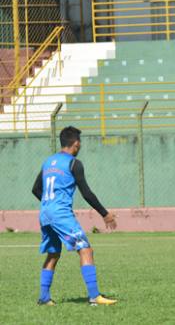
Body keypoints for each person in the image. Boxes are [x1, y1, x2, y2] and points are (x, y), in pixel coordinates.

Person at [31, 126, 117, 306]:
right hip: (61, 214)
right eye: (81, 143)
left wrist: (50, 204)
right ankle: (95, 296)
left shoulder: (48, 162)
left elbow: (35, 189)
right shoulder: (73, 164)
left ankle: (44, 298)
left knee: (53, 254)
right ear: (76, 144)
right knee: (85, 249)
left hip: (45, 213)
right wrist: (105, 214)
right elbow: (87, 193)